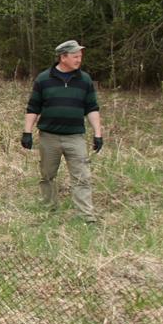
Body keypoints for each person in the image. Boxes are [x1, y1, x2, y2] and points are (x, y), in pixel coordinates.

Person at [21, 39, 104, 223]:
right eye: (75, 56)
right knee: (47, 175)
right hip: (49, 137)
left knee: (82, 177)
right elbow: (33, 107)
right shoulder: (43, 79)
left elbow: (92, 108)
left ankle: (86, 216)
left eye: (80, 56)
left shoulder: (85, 80)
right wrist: (27, 132)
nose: (79, 60)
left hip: (75, 137)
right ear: (63, 57)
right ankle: (49, 209)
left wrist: (98, 133)